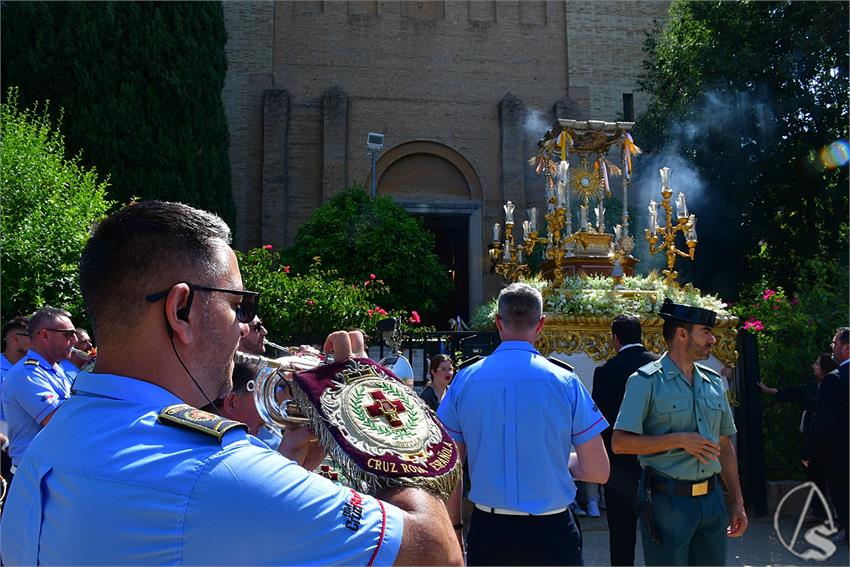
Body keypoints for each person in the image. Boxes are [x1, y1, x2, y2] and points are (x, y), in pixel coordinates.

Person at [0, 200, 461, 565]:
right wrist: (374, 408)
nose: (244, 327)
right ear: (181, 310)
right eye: (238, 305)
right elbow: (437, 553)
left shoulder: (55, 439)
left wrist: (290, 473)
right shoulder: (212, 469)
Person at [437, 282, 610, 566]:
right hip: (552, 531)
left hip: (489, 530)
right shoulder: (566, 381)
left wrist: (454, 529)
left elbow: (449, 469)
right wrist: (556, 461)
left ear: (498, 323)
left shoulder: (465, 380)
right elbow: (598, 471)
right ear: (540, 324)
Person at [612, 299, 748, 566]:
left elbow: (724, 445)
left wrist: (737, 501)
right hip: (667, 502)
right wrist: (679, 440)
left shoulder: (713, 382)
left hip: (711, 502)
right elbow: (620, 443)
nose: (712, 339)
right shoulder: (645, 381)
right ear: (682, 334)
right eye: (705, 332)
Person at [592, 314, 659, 566]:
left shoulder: (606, 371)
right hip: (658, 463)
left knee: (621, 537)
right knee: (662, 533)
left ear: (615, 339)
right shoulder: (659, 367)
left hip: (619, 467)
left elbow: (599, 423)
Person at [758, 353, 837, 524]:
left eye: (817, 363)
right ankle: (820, 512)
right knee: (815, 477)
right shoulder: (812, 385)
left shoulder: (833, 384)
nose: (813, 366)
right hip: (813, 438)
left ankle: (838, 517)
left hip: (829, 441)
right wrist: (771, 391)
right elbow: (795, 392)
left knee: (834, 479)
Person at [1, 306, 75, 472]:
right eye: (68, 334)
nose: (75, 340)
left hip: (50, 468)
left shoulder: (54, 368)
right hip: (33, 473)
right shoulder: (26, 374)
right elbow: (59, 420)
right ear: (45, 335)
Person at [806, 327, 849, 545]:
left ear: (847, 347)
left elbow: (823, 423)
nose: (833, 348)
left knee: (842, 492)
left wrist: (810, 451)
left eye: (835, 344)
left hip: (841, 451)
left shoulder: (834, 379)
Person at [0, 316, 30, 481]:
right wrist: (5, 444)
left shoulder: (31, 371)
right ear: (15, 338)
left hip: (23, 451)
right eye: (30, 335)